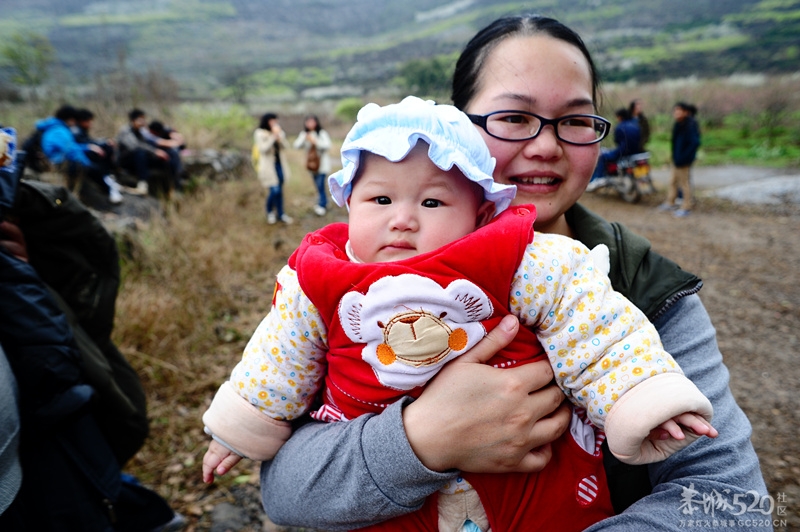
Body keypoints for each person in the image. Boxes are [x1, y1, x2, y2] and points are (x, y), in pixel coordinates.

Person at [257, 14, 770, 532]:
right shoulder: (354, 274)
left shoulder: (651, 290)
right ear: (455, 129)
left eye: (575, 120)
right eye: (514, 118)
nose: (546, 146)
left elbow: (731, 502)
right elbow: (284, 490)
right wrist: (422, 440)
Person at [203, 97, 716, 530]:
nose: (402, 220)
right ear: (347, 202)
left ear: (479, 212)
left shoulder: (518, 260)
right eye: (379, 198)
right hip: (388, 500)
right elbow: (279, 355)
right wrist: (243, 425)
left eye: (432, 203)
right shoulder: (316, 276)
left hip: (533, 487)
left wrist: (640, 396)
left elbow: (594, 328)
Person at [36, 104, 123, 204]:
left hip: (59, 160)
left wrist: (87, 147)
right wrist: (86, 162)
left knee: (93, 165)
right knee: (92, 169)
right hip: (60, 162)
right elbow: (69, 150)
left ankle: (109, 184)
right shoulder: (59, 131)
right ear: (69, 119)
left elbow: (72, 146)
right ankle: (110, 189)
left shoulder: (56, 128)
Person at [116, 108, 174, 196]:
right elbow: (134, 146)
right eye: (141, 119)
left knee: (163, 159)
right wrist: (155, 151)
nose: (143, 121)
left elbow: (146, 144)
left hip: (139, 159)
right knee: (140, 153)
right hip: (126, 160)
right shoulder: (125, 131)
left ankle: (169, 188)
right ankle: (142, 184)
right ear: (133, 120)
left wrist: (158, 152)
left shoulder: (140, 131)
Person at [659, 102, 701, 218]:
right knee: (672, 182)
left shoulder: (690, 125)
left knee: (684, 184)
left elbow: (695, 143)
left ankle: (686, 206)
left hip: (684, 161)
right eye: (675, 110)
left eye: (679, 111)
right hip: (676, 159)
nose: (676, 113)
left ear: (685, 112)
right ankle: (670, 202)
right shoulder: (678, 124)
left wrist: (685, 157)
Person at [587, 108, 641, 190]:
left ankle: (600, 178)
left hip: (622, 152)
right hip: (635, 152)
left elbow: (617, 141)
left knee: (603, 156)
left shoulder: (620, 127)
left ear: (620, 117)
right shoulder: (636, 126)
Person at [254, 112, 292, 224]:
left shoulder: (279, 132)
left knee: (280, 190)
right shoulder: (260, 133)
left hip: (279, 165)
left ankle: (281, 213)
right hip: (268, 167)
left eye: (275, 121)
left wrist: (280, 138)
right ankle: (270, 211)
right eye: (272, 121)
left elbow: (286, 147)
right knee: (274, 190)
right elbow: (263, 149)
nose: (274, 123)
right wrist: (272, 137)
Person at [293, 114, 332, 216]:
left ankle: (322, 205)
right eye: (308, 122)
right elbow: (296, 146)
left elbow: (327, 146)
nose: (310, 124)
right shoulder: (304, 134)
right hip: (311, 165)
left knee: (320, 185)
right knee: (317, 185)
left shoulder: (321, 133)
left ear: (316, 122)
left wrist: (315, 141)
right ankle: (324, 202)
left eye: (312, 122)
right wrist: (304, 138)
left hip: (322, 165)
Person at [142, 120, 186, 191]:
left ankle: (176, 181)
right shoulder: (146, 134)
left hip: (167, 156)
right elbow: (163, 143)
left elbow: (178, 139)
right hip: (152, 156)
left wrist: (175, 136)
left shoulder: (165, 130)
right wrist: (176, 142)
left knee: (174, 152)